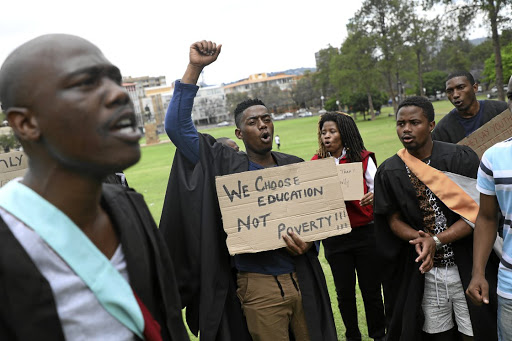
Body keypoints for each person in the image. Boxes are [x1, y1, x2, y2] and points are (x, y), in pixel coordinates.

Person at [0, 34, 188, 341]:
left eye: (115, 80)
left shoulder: (129, 207)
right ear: (26, 123)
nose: (118, 94)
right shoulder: (8, 241)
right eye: (86, 83)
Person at [159, 40, 337, 341]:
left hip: (302, 277)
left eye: (267, 119)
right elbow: (177, 127)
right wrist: (195, 68)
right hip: (258, 284)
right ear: (240, 134)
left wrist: (310, 242)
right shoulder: (225, 164)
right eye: (253, 122)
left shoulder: (294, 167)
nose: (263, 125)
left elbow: (319, 218)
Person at [374, 96, 498, 340]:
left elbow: (479, 214)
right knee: (436, 334)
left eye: (414, 122)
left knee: (474, 330)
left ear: (431, 125)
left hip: (466, 264)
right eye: (401, 124)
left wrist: (437, 240)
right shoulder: (390, 170)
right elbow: (391, 218)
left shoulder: (460, 158)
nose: (406, 129)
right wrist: (419, 239)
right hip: (425, 272)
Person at [311, 112, 386, 341]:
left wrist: (373, 196)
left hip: (365, 233)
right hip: (335, 236)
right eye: (324, 132)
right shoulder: (317, 162)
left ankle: (378, 334)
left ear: (345, 133)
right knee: (344, 293)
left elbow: (379, 189)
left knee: (371, 290)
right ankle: (352, 335)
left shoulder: (362, 158)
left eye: (332, 131)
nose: (327, 136)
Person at [466, 75, 512, 340]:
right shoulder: (494, 157)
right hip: (509, 286)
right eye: (511, 96)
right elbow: (486, 218)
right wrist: (478, 272)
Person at [432, 71, 508, 143]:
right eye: (450, 91)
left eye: (461, 87)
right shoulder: (443, 130)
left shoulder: (501, 110)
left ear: (475, 88)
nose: (455, 95)